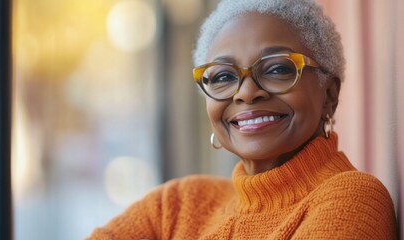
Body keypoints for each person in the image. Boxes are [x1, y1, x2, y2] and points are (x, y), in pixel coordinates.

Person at [87, 0, 397, 239]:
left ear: (329, 93)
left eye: (277, 69)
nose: (247, 93)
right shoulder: (178, 205)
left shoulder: (352, 200)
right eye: (223, 76)